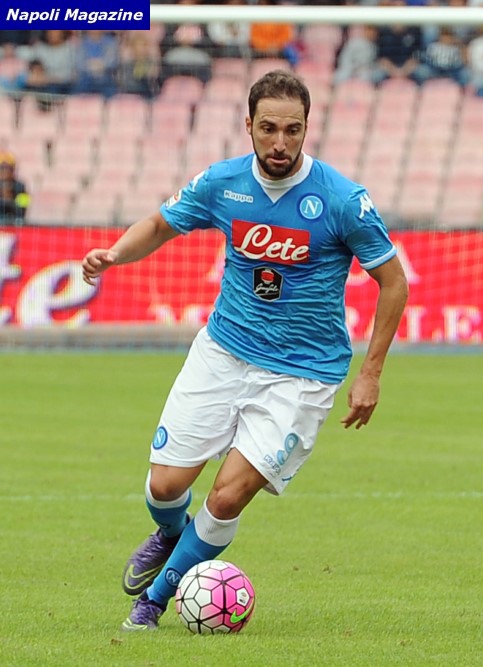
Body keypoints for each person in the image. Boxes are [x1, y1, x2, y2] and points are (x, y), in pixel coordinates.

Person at [80, 70, 410, 631]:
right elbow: (160, 224)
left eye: (292, 130)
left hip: (302, 375)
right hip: (224, 352)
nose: (280, 142)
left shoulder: (342, 200)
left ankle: (154, 601)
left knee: (228, 496)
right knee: (165, 487)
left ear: (307, 128)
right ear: (249, 126)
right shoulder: (222, 182)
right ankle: (171, 534)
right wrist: (114, 254)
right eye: (268, 129)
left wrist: (371, 372)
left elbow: (393, 283)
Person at [0, 152, 29, 224]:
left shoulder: (20, 187)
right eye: (2, 168)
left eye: (8, 168)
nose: (4, 171)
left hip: (13, 225)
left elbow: (22, 210)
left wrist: (9, 197)